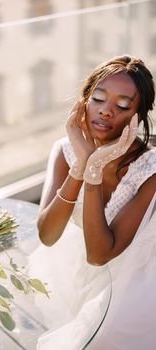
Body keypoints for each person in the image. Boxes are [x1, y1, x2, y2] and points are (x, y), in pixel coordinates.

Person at [28, 55, 156, 349]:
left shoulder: (150, 172)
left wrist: (95, 170)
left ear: (138, 117)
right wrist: (82, 164)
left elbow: (100, 254)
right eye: (98, 99)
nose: (107, 111)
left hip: (135, 275)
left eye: (123, 105)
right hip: (77, 264)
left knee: (98, 337)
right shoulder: (66, 150)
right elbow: (48, 235)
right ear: (83, 102)